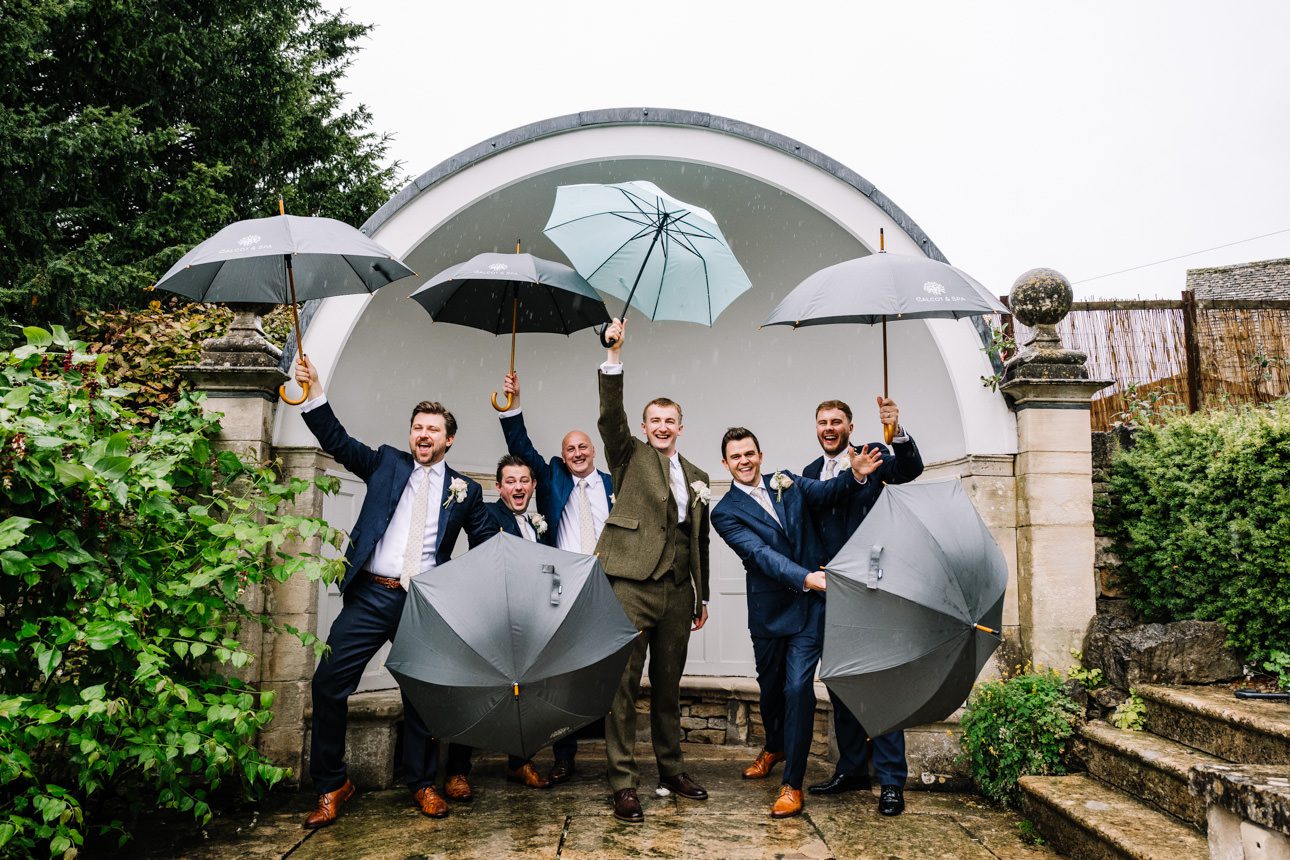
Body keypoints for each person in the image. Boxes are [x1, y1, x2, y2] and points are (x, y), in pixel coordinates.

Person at [293, 355, 493, 828]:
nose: (423, 435)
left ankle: (422, 783)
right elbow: (337, 442)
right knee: (328, 684)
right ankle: (331, 784)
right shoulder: (385, 463)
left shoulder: (465, 490)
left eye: (433, 430)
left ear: (449, 439)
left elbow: (488, 543)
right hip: (369, 595)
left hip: (420, 605)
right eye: (417, 428)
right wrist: (316, 390)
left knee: (421, 696)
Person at [710, 427, 881, 819]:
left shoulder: (785, 480)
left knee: (798, 689)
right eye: (736, 457)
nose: (744, 461)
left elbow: (826, 493)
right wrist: (805, 576)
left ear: (760, 453)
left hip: (810, 609)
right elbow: (759, 555)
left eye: (749, 453)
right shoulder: (724, 512)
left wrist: (854, 474)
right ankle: (774, 746)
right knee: (770, 692)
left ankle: (792, 784)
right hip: (770, 614)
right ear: (726, 464)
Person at [595, 318, 711, 824]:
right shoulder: (628, 456)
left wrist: (700, 596)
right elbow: (609, 417)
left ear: (681, 426)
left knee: (669, 686)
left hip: (678, 592)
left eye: (670, 421)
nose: (662, 427)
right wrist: (614, 356)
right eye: (654, 421)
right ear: (645, 427)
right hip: (630, 586)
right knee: (622, 687)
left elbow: (698, 540)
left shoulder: (700, 476)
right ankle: (623, 782)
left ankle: (671, 769)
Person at [803, 396, 924, 817]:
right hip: (832, 592)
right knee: (841, 683)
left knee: (878, 683)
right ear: (816, 428)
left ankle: (891, 780)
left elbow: (909, 470)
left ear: (851, 427)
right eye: (823, 422)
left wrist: (898, 431)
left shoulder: (873, 453)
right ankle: (852, 768)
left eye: (837, 421)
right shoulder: (808, 474)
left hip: (873, 589)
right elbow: (816, 505)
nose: (829, 428)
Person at [496, 370, 614, 784]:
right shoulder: (552, 478)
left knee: (608, 672)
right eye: (570, 448)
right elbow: (521, 449)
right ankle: (564, 756)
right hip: (560, 591)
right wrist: (514, 408)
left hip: (608, 590)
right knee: (562, 677)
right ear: (563, 457)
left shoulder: (615, 484)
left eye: (583, 446)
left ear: (594, 451)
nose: (577, 452)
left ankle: (617, 759)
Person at [475, 453, 557, 789]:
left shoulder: (540, 522)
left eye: (524, 480)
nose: (518, 486)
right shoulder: (488, 514)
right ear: (498, 486)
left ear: (533, 485)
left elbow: (550, 568)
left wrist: (554, 600)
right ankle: (455, 770)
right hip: (495, 616)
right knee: (482, 693)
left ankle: (519, 763)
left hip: (531, 621)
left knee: (525, 694)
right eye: (510, 481)